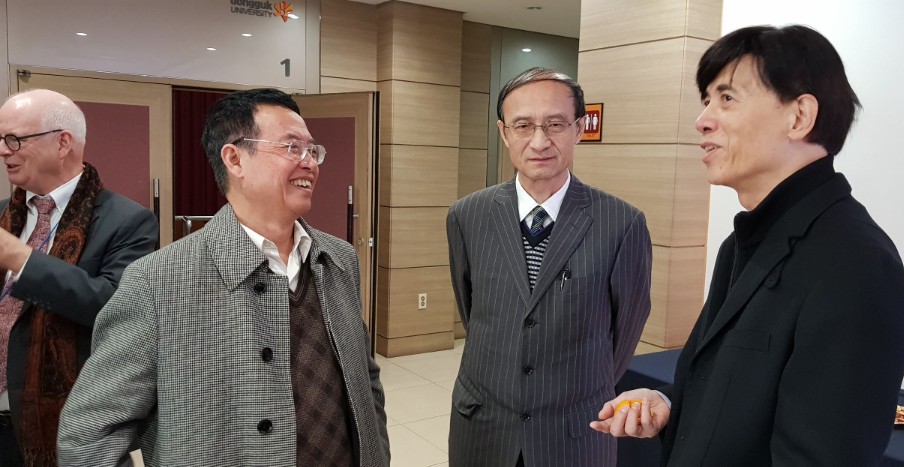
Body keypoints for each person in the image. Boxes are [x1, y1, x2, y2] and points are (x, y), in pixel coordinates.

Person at [590, 25, 904, 466]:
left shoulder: (857, 264)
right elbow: (737, 392)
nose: (703, 120)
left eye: (727, 98)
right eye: (706, 100)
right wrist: (669, 401)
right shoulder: (742, 242)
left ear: (799, 117)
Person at [57, 88, 389, 466]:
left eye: (313, 150)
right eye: (292, 147)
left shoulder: (339, 260)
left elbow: (365, 380)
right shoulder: (158, 283)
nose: (309, 162)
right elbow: (88, 435)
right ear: (234, 159)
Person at [447, 67, 653, 467]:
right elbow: (473, 311)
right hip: (483, 424)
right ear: (504, 133)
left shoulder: (621, 223)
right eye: (523, 125)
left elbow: (625, 329)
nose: (539, 141)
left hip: (575, 430)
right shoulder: (467, 215)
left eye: (555, 124)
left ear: (579, 129)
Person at [0, 89, 158, 466]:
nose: (4, 151)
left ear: (63, 143)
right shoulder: (5, 214)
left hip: (66, 425)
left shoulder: (127, 221)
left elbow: (115, 307)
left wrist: (21, 259)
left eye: (14, 139)